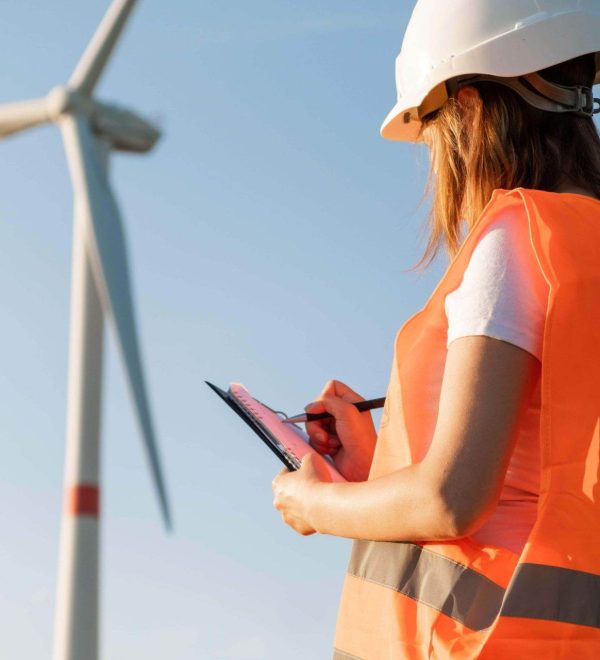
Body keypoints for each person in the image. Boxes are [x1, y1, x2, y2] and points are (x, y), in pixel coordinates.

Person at [271, 1, 600, 657]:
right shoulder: (580, 241)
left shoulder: (514, 239)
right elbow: (532, 469)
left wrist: (312, 504)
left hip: (483, 642)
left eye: (430, 129)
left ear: (470, 110)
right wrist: (376, 470)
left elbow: (453, 499)